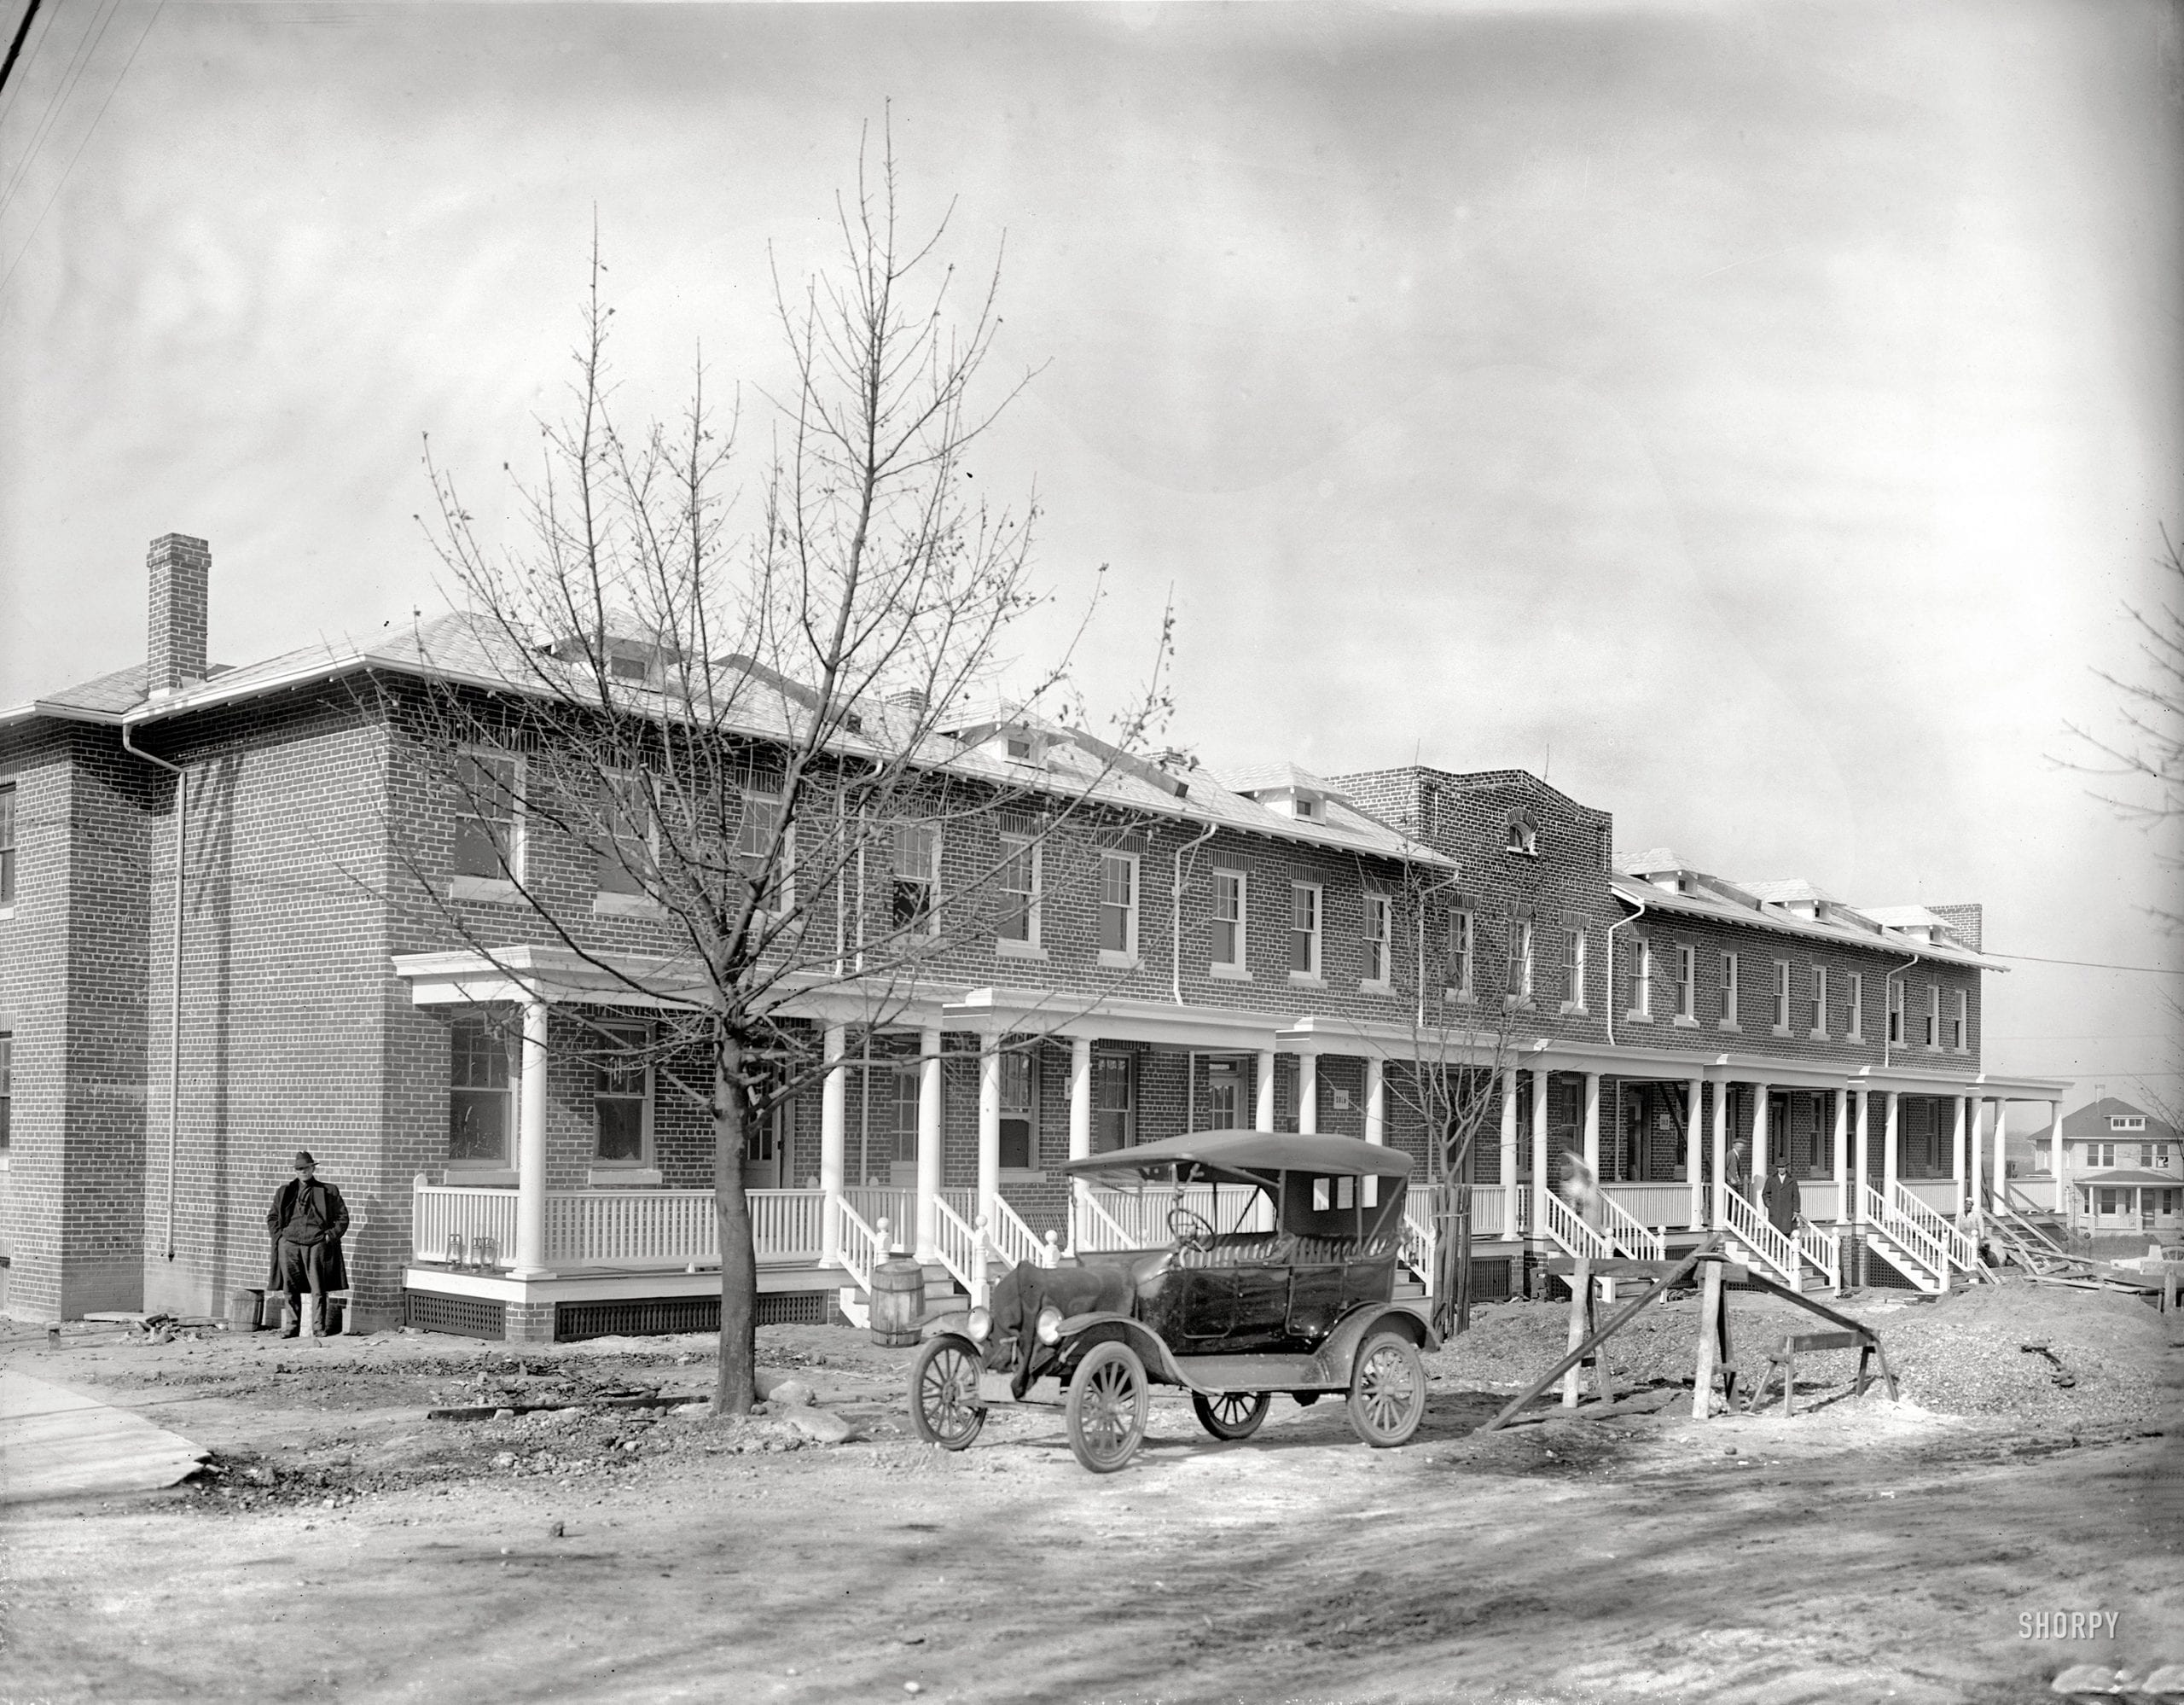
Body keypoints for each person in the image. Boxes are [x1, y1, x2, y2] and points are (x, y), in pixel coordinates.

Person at [266, 1150, 349, 1338]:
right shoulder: (285, 1191)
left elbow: (342, 1218)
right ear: (295, 1171)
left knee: (318, 1287)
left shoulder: (328, 1191)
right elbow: (272, 1217)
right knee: (290, 1287)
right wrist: (280, 1238)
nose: (303, 1171)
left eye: (306, 1168)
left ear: (313, 1168)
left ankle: (318, 1327)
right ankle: (291, 1326)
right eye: (299, 1169)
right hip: (290, 1243)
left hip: (316, 1243)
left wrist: (329, 1237)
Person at [1762, 1159, 1801, 1238]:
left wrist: (1796, 1210)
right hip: (1775, 1210)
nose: (1781, 1169)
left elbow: (1796, 1196)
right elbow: (1765, 1194)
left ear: (1786, 1167)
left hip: (1787, 1210)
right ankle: (1773, 1249)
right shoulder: (1771, 1178)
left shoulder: (1792, 1179)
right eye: (1779, 1167)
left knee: (1786, 1232)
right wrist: (1770, 1205)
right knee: (1773, 1232)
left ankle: (1784, 1249)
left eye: (1783, 1167)